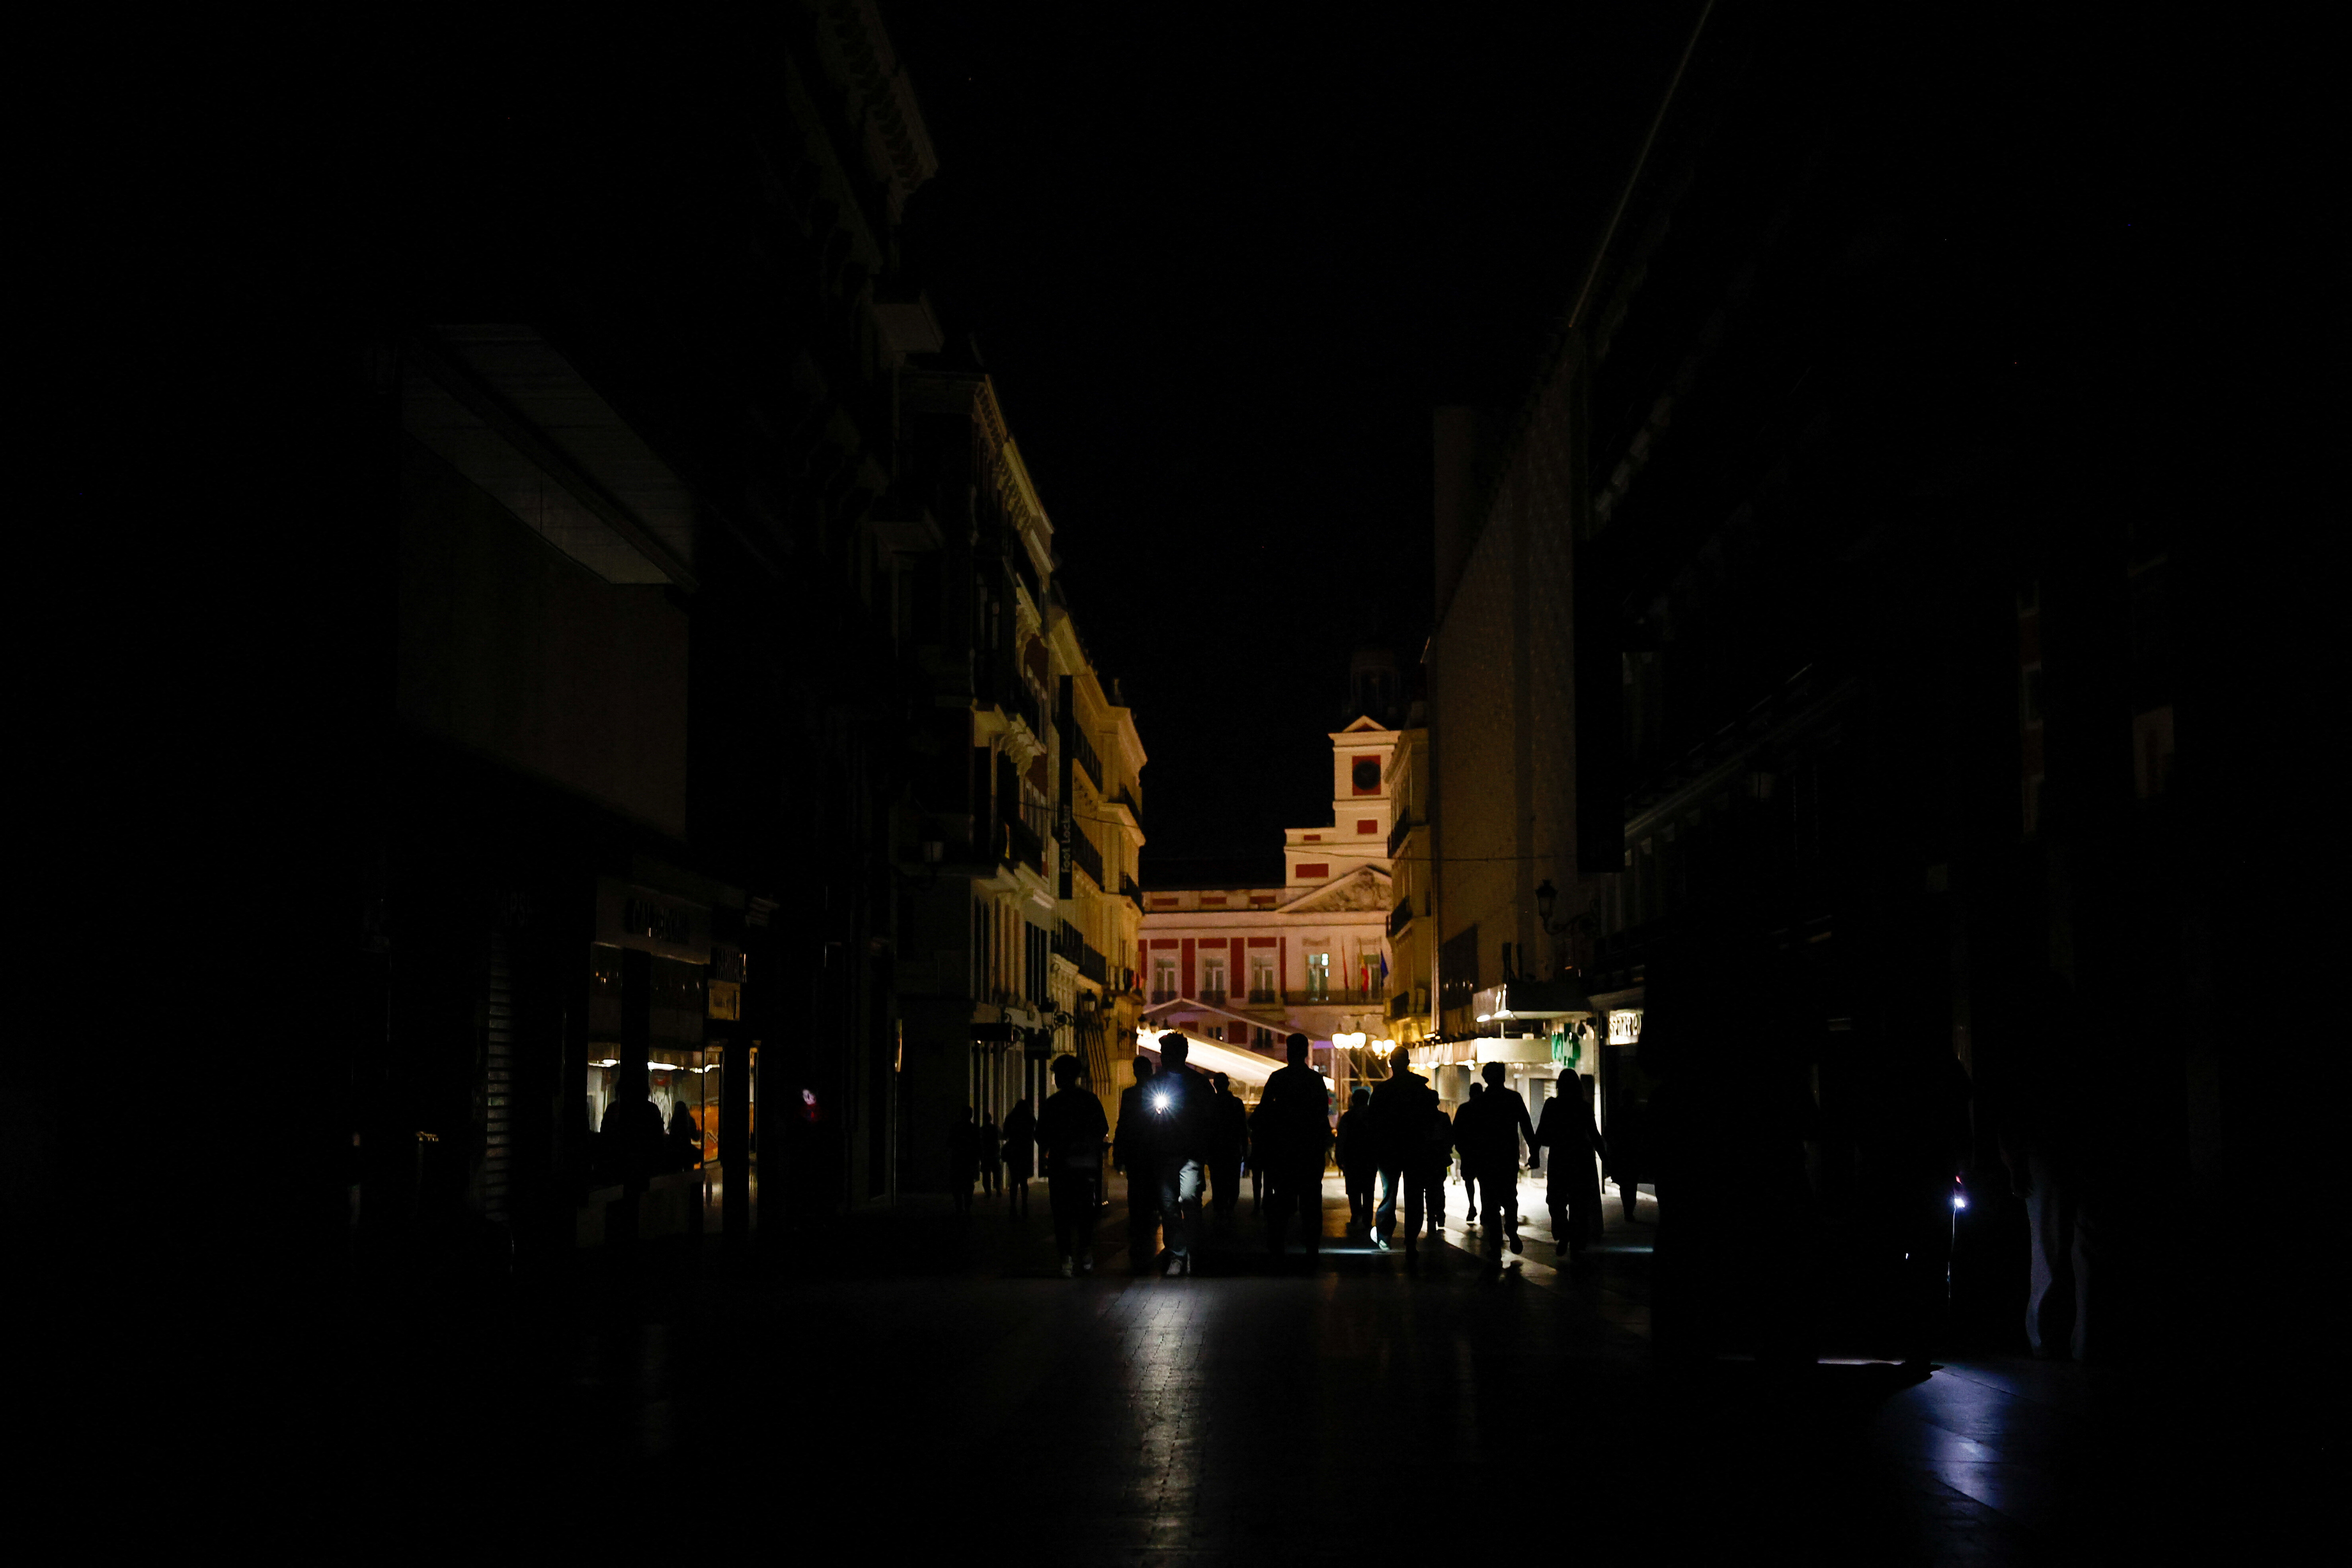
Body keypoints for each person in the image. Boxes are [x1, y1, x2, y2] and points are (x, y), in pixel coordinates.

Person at [1259, 1033, 1333, 1261]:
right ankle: (1312, 1244)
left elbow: (1264, 1112)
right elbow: (1322, 1115)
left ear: (1289, 1052)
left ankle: (1279, 1244)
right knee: (1311, 1200)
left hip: (1283, 1150)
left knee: (1282, 1199)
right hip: (1310, 1150)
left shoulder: (1277, 1078)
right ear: (1306, 1054)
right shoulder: (1315, 1081)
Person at [1035, 1056, 1109, 1276]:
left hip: (1060, 1165)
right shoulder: (1090, 1100)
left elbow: (1040, 1135)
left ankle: (1066, 1257)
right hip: (1085, 1165)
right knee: (1086, 1211)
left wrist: (1055, 1146)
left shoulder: (1053, 1104)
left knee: (1061, 1213)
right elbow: (1101, 1128)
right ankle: (1085, 1252)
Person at [1456, 1062, 1536, 1256]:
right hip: (1508, 1156)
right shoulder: (1513, 1098)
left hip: (1486, 1158)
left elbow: (1467, 1134)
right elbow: (1526, 1125)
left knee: (1489, 1198)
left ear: (1485, 1079)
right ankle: (1512, 1230)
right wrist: (1535, 1152)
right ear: (1504, 1077)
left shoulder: (1478, 1103)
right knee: (1510, 1196)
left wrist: (1470, 1155)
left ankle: (1496, 1240)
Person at [1152, 1033, 1213, 1275]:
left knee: (1189, 1200)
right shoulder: (1157, 1083)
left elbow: (1210, 1119)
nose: (1166, 1058)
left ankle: (1191, 1251)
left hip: (1190, 1154)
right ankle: (1178, 1254)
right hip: (1165, 1153)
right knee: (1169, 1207)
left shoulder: (1198, 1084)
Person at [1369, 1057, 1440, 1254]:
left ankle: (1384, 1236)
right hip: (1416, 1149)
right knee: (1414, 1196)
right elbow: (1431, 1119)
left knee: (1389, 1194)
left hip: (1389, 1149)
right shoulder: (1420, 1089)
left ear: (1391, 1064)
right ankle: (1411, 1240)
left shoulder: (1382, 1091)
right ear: (1408, 1062)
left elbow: (1373, 1121)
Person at [1533, 1071, 1607, 1258]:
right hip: (1581, 1160)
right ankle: (1575, 1241)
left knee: (1555, 1201)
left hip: (1559, 1158)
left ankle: (1564, 1234)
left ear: (1559, 1086)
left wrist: (1537, 1151)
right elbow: (1595, 1136)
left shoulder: (1552, 1106)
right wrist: (1606, 1160)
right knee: (1578, 1203)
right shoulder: (1584, 1108)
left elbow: (1541, 1133)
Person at [1114, 1056, 1162, 1271]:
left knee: (1138, 1193)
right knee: (1148, 1191)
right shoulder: (1156, 1094)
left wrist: (1119, 1152)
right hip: (1149, 1151)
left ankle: (1141, 1230)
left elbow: (1123, 1124)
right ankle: (1146, 1229)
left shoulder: (1130, 1095)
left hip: (1139, 1151)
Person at [1206, 1072, 1249, 1220]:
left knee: (1217, 1182)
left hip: (1216, 1151)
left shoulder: (1211, 1104)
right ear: (1228, 1084)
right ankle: (1229, 1208)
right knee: (1232, 1182)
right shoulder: (1236, 1104)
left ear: (1216, 1085)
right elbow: (1243, 1129)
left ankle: (1220, 1209)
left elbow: (1207, 1129)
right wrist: (1245, 1149)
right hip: (1232, 1150)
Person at [1336, 1087, 1377, 1230]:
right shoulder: (1374, 1116)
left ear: (1354, 1100)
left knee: (1353, 1188)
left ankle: (1356, 1214)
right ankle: (1367, 1217)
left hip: (1352, 1157)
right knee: (1368, 1189)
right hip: (1370, 1157)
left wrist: (1339, 1156)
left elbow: (1341, 1138)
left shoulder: (1348, 1117)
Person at [1001, 1096, 1037, 1219]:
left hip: (1013, 1151)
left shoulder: (1011, 1118)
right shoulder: (1030, 1119)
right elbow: (1034, 1133)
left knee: (1014, 1180)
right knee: (1024, 1181)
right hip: (1025, 1151)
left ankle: (1013, 1207)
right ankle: (1025, 1206)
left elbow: (1005, 1135)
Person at [1458, 1082, 1485, 1228]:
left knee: (1469, 1182)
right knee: (1484, 1183)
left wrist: (1461, 1148)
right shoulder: (1486, 1110)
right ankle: (1483, 1210)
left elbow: (1457, 1130)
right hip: (1483, 1153)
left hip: (1468, 1153)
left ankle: (1472, 1206)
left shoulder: (1464, 1109)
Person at [948, 1107, 980, 1216]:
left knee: (957, 1184)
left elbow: (950, 1143)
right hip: (970, 1160)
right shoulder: (974, 1129)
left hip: (958, 1159)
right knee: (969, 1184)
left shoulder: (956, 1127)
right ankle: (967, 1205)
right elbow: (979, 1146)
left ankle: (959, 1205)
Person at [666, 1098, 701, 1174]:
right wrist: (699, 1132)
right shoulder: (690, 1120)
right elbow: (696, 1137)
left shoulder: (674, 1120)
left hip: (675, 1152)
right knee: (689, 1173)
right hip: (687, 1152)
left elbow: (672, 1135)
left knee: (677, 1174)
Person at [978, 1111, 1001, 1196]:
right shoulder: (996, 1128)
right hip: (995, 1154)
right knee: (997, 1173)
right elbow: (1002, 1137)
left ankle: (988, 1192)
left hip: (986, 1155)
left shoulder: (982, 1130)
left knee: (986, 1175)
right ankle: (998, 1189)